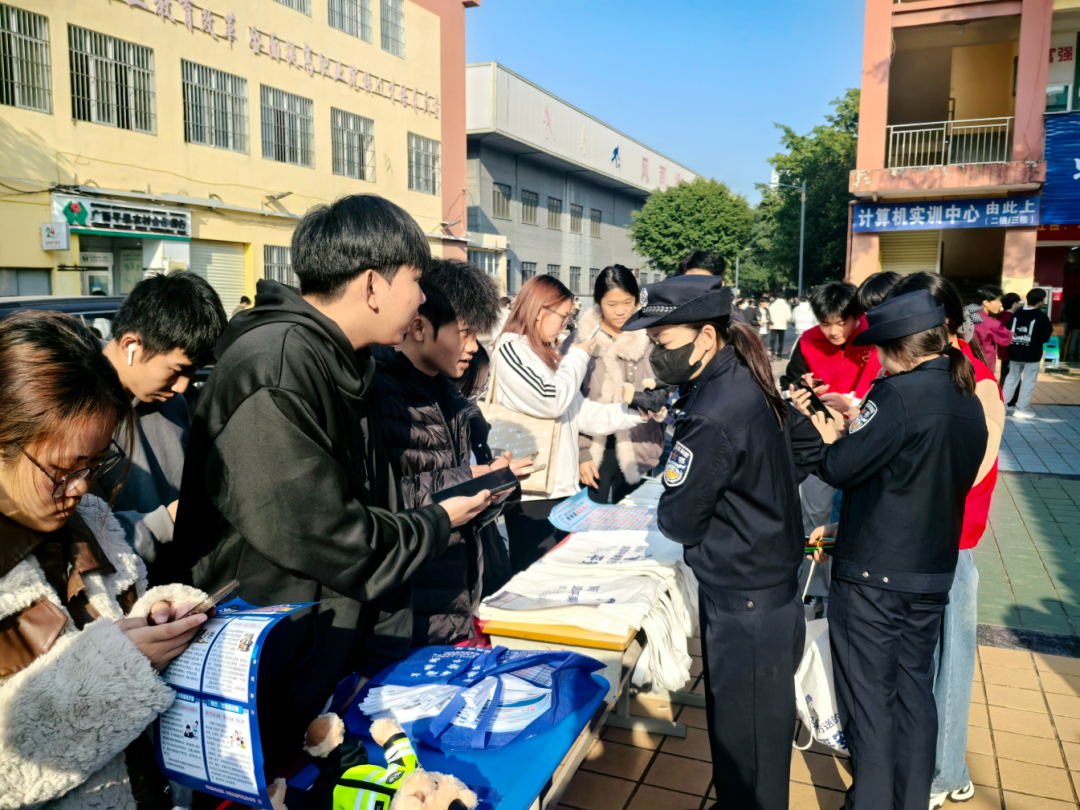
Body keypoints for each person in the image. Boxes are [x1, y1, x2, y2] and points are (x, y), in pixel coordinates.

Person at [168, 195, 493, 768]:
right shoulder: (276, 364)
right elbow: (328, 533)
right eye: (415, 280)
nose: (422, 298)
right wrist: (439, 521)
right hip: (264, 665)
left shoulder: (344, 361)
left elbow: (374, 506)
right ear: (372, 285)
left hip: (323, 654)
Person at [623, 277, 824, 810]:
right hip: (769, 586)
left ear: (706, 338)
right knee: (754, 736)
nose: (656, 355)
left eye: (663, 343)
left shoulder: (713, 410)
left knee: (746, 746)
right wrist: (757, 496)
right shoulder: (746, 376)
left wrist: (737, 501)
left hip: (745, 602)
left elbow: (679, 520)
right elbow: (805, 448)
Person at [0, 311, 210, 809]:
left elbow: (121, 614)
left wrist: (160, 615)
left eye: (94, 466)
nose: (79, 488)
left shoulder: (92, 518)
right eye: (62, 470)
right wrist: (119, 665)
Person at [803, 290, 987, 809]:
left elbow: (840, 467)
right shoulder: (967, 397)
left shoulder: (896, 395)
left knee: (870, 701)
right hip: (930, 573)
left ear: (900, 350)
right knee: (914, 694)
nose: (879, 362)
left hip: (874, 577)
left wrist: (826, 435)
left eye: (882, 350)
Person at [875, 273, 1003, 808]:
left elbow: (969, 472)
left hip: (951, 546)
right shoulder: (910, 374)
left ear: (943, 322)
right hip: (905, 545)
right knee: (911, 663)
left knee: (948, 664)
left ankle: (946, 773)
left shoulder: (979, 383)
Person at [373, 258, 529, 646]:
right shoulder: (378, 393)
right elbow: (377, 504)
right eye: (464, 333)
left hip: (454, 596)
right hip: (406, 611)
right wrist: (465, 481)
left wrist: (494, 487)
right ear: (419, 327)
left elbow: (465, 513)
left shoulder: (455, 399)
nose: (473, 347)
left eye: (477, 334)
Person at [492, 274, 654, 572]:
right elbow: (551, 398)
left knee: (561, 571)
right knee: (536, 574)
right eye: (563, 316)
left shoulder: (545, 353)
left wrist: (636, 411)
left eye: (570, 317)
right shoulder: (510, 349)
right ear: (539, 311)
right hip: (533, 491)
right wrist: (577, 356)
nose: (566, 324)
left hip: (562, 489)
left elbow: (581, 414)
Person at [98, 271, 227, 571]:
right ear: (131, 345)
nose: (182, 386)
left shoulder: (171, 402)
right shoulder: (73, 407)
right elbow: (78, 537)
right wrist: (167, 521)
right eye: (177, 370)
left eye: (193, 372)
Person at [781, 281, 877, 534]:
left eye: (841, 322)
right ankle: (814, 556)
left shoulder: (874, 338)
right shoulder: (807, 341)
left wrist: (851, 404)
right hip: (817, 437)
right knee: (816, 512)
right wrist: (801, 389)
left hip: (862, 438)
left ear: (857, 316)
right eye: (825, 323)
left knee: (858, 512)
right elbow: (788, 383)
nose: (833, 331)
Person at [564, 265, 665, 505]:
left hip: (639, 444)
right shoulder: (579, 342)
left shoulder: (652, 338)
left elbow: (665, 386)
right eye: (611, 304)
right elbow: (568, 400)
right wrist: (582, 452)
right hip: (591, 447)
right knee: (588, 520)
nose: (620, 311)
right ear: (598, 302)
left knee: (634, 517)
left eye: (627, 302)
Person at [453, 345, 514, 598]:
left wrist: (497, 491)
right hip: (455, 556)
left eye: (481, 390)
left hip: (483, 545)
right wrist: (479, 476)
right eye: (472, 391)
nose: (476, 400)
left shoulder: (475, 424)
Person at [1002, 288, 1054, 418]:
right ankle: (1021, 409)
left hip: (1014, 352)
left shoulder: (1016, 314)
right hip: (1032, 354)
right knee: (1028, 381)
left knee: (1011, 378)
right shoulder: (1041, 317)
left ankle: (1001, 406)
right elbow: (1045, 337)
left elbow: (1008, 331)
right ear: (1041, 301)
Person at [972, 284, 1012, 373]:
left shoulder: (966, 317)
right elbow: (1007, 337)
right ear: (986, 303)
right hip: (984, 365)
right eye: (998, 301)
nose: (1000, 304)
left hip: (966, 362)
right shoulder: (990, 323)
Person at [996, 292, 1023, 390]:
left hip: (1005, 351)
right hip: (1010, 351)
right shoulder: (1009, 318)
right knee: (1012, 378)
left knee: (1006, 376)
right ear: (1014, 303)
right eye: (1018, 302)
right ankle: (1008, 398)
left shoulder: (1001, 316)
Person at [767, 293, 792, 359]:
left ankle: (773, 353)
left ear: (777, 297)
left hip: (773, 325)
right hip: (782, 325)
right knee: (781, 340)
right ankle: (779, 354)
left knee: (772, 340)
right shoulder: (786, 306)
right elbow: (788, 317)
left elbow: (769, 315)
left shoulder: (772, 305)